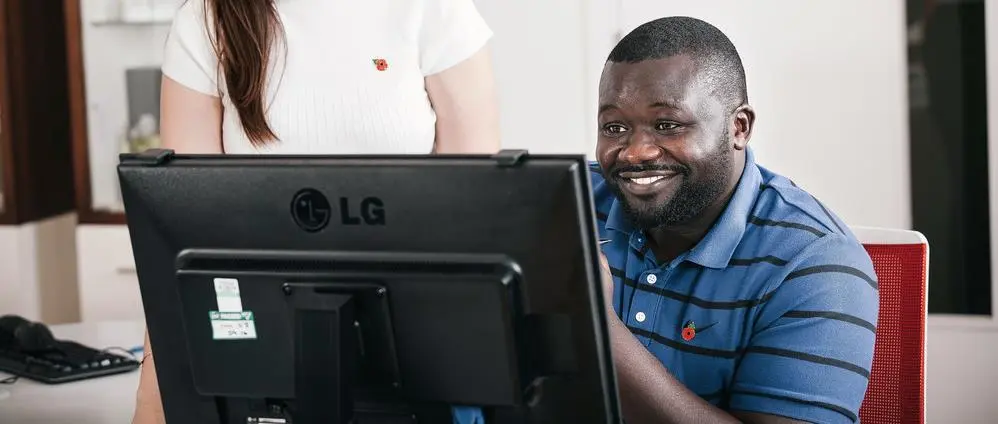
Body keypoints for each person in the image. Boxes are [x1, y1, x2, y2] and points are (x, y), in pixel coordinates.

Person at [133, 0, 499, 423]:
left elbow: (479, 217)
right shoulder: (207, 19)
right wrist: (153, 396)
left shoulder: (435, 10)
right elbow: (180, 240)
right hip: (264, 351)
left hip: (418, 347)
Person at [591, 17, 878, 424]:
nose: (635, 152)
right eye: (615, 127)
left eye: (667, 125)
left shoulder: (816, 263)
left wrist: (597, 330)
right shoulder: (564, 204)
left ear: (738, 128)